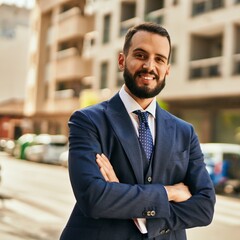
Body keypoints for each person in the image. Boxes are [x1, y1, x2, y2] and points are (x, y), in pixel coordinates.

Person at [60, 22, 216, 240]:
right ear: (122, 60)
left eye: (159, 59)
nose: (149, 66)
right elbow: (93, 198)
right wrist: (168, 192)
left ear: (167, 69)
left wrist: (136, 210)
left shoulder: (185, 132)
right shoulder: (88, 121)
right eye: (141, 55)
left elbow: (205, 208)